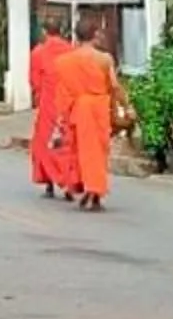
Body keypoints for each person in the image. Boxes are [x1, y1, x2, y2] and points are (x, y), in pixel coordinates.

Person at [49, 24, 125, 210]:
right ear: (95, 35)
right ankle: (95, 192)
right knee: (98, 153)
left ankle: (88, 188)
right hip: (99, 108)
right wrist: (125, 107)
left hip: (79, 109)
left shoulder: (64, 61)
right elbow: (114, 87)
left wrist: (61, 119)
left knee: (83, 152)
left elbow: (62, 93)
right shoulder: (104, 59)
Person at [27, 9, 77, 198]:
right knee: (66, 143)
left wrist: (38, 97)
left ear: (44, 32)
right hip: (68, 103)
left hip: (48, 104)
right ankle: (68, 182)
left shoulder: (39, 52)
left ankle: (49, 183)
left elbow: (34, 81)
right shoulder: (71, 50)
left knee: (44, 143)